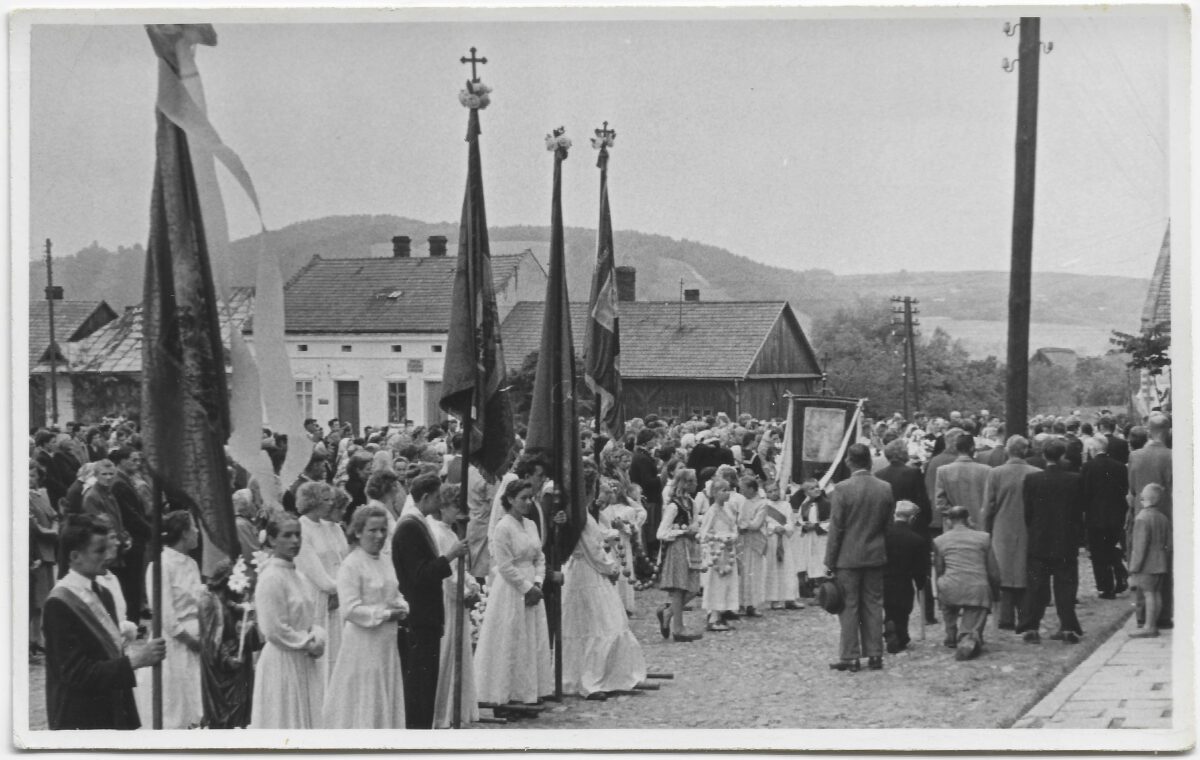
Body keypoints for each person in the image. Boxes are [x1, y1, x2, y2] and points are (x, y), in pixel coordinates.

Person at [42, 515, 166, 729]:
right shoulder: (58, 603)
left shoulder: (104, 592)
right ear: (75, 556)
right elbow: (75, 673)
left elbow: (110, 652)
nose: (108, 555)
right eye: (99, 551)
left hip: (113, 708)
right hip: (81, 716)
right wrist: (134, 661)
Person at [324, 504, 410, 728]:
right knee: (366, 696)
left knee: (385, 690)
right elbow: (350, 609)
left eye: (383, 530)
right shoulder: (351, 565)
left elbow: (393, 591)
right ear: (359, 531)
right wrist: (385, 614)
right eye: (373, 530)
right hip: (363, 643)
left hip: (386, 643)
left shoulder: (384, 560)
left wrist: (402, 605)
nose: (379, 536)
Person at [394, 473, 469, 728]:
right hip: (419, 615)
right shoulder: (410, 526)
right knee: (419, 686)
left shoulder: (420, 523)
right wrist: (448, 557)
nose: (439, 504)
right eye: (437, 498)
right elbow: (419, 575)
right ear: (425, 497)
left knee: (427, 685)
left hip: (427, 615)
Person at [561, 478, 648, 698]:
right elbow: (593, 550)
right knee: (600, 623)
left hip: (585, 569)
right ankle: (590, 679)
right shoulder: (582, 516)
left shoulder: (587, 514)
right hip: (588, 571)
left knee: (597, 623)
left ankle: (603, 673)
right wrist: (611, 568)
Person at [474, 478, 555, 703]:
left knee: (531, 637)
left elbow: (540, 556)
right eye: (523, 498)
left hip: (532, 582)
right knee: (512, 636)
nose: (528, 502)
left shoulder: (530, 524)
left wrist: (538, 582)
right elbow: (504, 565)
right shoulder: (503, 527)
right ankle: (507, 692)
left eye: (530, 498)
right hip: (511, 588)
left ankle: (529, 690)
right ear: (510, 499)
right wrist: (526, 587)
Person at [250, 514, 327, 729]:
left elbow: (309, 619)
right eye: (287, 535)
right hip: (282, 661)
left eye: (298, 535)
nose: (295, 541)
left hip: (303, 659)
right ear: (273, 540)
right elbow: (273, 629)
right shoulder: (271, 577)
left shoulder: (299, 576)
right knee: (285, 720)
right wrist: (308, 642)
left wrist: (317, 635)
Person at [825, 443, 893, 672]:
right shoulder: (885, 488)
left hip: (848, 556)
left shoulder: (842, 489)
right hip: (875, 554)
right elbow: (888, 525)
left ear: (849, 461)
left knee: (849, 606)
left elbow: (836, 528)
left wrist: (829, 561)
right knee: (874, 604)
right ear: (870, 462)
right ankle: (875, 654)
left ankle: (850, 656)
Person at [133, 511, 203, 729]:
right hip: (176, 644)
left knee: (199, 699)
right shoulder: (160, 566)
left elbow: (199, 601)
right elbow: (166, 616)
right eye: (193, 527)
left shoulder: (191, 563)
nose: (197, 532)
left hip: (199, 638)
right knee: (177, 705)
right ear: (183, 533)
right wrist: (192, 641)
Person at [1016, 439, 1085, 644]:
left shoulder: (1032, 480)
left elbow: (1028, 512)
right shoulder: (1074, 479)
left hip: (1040, 538)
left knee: (1036, 584)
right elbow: (1078, 511)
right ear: (1062, 455)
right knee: (1065, 585)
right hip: (1065, 539)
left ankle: (1030, 626)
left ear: (1044, 456)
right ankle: (1067, 626)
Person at [428, 484, 480, 728]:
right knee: (448, 649)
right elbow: (446, 572)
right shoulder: (437, 533)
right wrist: (463, 591)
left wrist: (472, 586)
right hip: (448, 600)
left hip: (458, 596)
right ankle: (443, 712)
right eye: (455, 507)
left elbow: (462, 568)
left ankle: (457, 709)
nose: (459, 512)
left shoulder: (450, 531)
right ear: (444, 507)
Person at [980, 435, 1040, 629]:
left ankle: (1005, 617)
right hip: (1027, 526)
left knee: (1003, 570)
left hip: (1002, 526)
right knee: (1024, 569)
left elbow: (988, 505)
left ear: (1007, 450)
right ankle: (1025, 615)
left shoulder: (996, 473)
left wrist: (986, 528)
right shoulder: (1036, 472)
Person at [294, 480, 348, 684]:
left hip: (336, 598)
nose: (330, 504)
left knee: (336, 651)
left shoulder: (327, 526)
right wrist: (339, 588)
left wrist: (340, 589)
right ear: (313, 502)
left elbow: (341, 561)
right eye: (325, 500)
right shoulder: (302, 528)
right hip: (316, 597)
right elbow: (315, 573)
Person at [197, 560, 261, 729]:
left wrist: (248, 627)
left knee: (240, 711)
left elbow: (252, 639)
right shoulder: (208, 602)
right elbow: (210, 641)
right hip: (221, 669)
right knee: (224, 714)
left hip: (240, 666)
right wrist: (226, 658)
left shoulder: (234, 602)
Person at [934, 506, 1000, 660]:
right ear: (968, 519)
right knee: (974, 610)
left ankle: (950, 633)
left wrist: (939, 593)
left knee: (946, 588)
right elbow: (993, 572)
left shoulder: (939, 540)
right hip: (976, 588)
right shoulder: (984, 538)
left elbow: (939, 570)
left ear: (949, 521)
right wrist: (995, 593)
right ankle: (968, 636)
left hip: (950, 587)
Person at [1125, 414, 1172, 629]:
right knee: (1163, 566)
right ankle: (1163, 616)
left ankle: (1143, 615)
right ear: (1167, 430)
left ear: (1148, 429)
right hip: (1165, 517)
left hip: (1140, 515)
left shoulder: (1135, 456)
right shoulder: (1172, 456)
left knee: (1142, 563)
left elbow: (1133, 489)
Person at [655, 468, 704, 642]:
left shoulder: (692, 503)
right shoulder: (674, 506)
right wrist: (680, 533)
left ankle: (668, 613)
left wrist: (694, 531)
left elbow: (694, 523)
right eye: (691, 481)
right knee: (679, 587)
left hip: (690, 547)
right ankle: (678, 628)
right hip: (677, 547)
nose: (695, 484)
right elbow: (661, 532)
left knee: (692, 588)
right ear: (684, 483)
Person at [1080, 435, 1130, 599]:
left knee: (1098, 552)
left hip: (1095, 515)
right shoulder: (1120, 467)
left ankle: (1106, 586)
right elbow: (1124, 490)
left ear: (1093, 450)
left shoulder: (1088, 467)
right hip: (1116, 514)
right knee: (1110, 546)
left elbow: (1085, 493)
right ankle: (1119, 571)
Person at [883, 500, 929, 653]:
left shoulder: (883, 536)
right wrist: (921, 583)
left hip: (883, 580)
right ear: (912, 518)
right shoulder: (917, 540)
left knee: (889, 607)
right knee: (903, 610)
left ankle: (889, 625)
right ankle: (901, 635)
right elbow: (920, 568)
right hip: (903, 581)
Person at [1127, 484, 1171, 638]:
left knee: (1148, 594)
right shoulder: (1163, 517)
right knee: (1156, 593)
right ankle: (1153, 624)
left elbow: (1139, 547)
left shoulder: (1142, 518)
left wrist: (1134, 567)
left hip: (1147, 564)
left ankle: (1149, 626)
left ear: (1144, 498)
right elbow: (1168, 543)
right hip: (1161, 562)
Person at [698, 477, 740, 631]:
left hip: (728, 551)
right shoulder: (712, 511)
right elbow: (704, 533)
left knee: (727, 583)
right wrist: (719, 539)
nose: (727, 493)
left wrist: (733, 537)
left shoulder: (729, 509)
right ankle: (713, 615)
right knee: (716, 583)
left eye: (729, 490)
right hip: (717, 552)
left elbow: (733, 527)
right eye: (723, 490)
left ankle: (722, 613)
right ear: (715, 493)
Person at [29, 461, 59, 654]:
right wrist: (52, 532)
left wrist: (54, 528)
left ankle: (36, 638)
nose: (30, 479)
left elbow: (54, 514)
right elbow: (33, 526)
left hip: (48, 551)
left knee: (43, 599)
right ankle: (31, 639)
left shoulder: (42, 494)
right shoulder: (23, 496)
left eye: (33, 475)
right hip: (36, 551)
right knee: (34, 599)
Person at [934, 433, 991, 530]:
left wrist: (956, 516)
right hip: (979, 525)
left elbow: (940, 503)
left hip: (953, 527)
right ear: (973, 448)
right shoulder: (986, 470)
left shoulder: (943, 471)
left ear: (956, 448)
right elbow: (990, 501)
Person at [761, 480, 799, 610]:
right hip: (772, 540)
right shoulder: (765, 505)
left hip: (784, 540)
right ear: (766, 493)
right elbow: (764, 523)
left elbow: (791, 522)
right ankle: (774, 599)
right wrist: (773, 528)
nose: (773, 493)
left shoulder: (786, 505)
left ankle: (790, 598)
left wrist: (785, 528)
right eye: (770, 491)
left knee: (788, 567)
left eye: (775, 490)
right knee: (773, 568)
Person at [792, 479, 831, 599]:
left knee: (821, 564)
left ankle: (824, 594)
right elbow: (799, 520)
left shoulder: (826, 503)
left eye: (817, 487)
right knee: (813, 564)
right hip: (810, 539)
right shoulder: (805, 505)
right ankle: (818, 593)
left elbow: (831, 521)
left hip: (821, 538)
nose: (816, 489)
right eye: (812, 488)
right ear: (805, 493)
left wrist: (815, 526)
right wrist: (804, 525)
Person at [735, 476, 769, 617]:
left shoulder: (762, 504)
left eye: (743, 489)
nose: (741, 492)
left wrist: (743, 525)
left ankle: (752, 605)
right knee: (741, 573)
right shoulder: (741, 501)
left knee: (753, 574)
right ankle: (740, 604)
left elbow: (756, 524)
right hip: (741, 542)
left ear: (751, 489)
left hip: (754, 543)